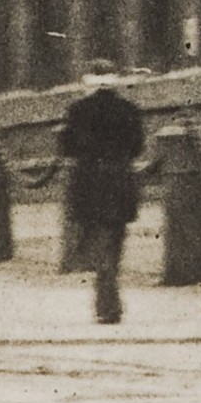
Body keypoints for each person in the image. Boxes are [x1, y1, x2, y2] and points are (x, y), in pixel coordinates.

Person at [53, 78, 147, 324]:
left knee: (97, 239)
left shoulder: (78, 110)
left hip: (90, 183)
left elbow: (67, 147)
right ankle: (109, 293)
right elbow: (138, 146)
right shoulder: (129, 109)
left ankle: (107, 300)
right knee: (115, 240)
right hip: (119, 182)